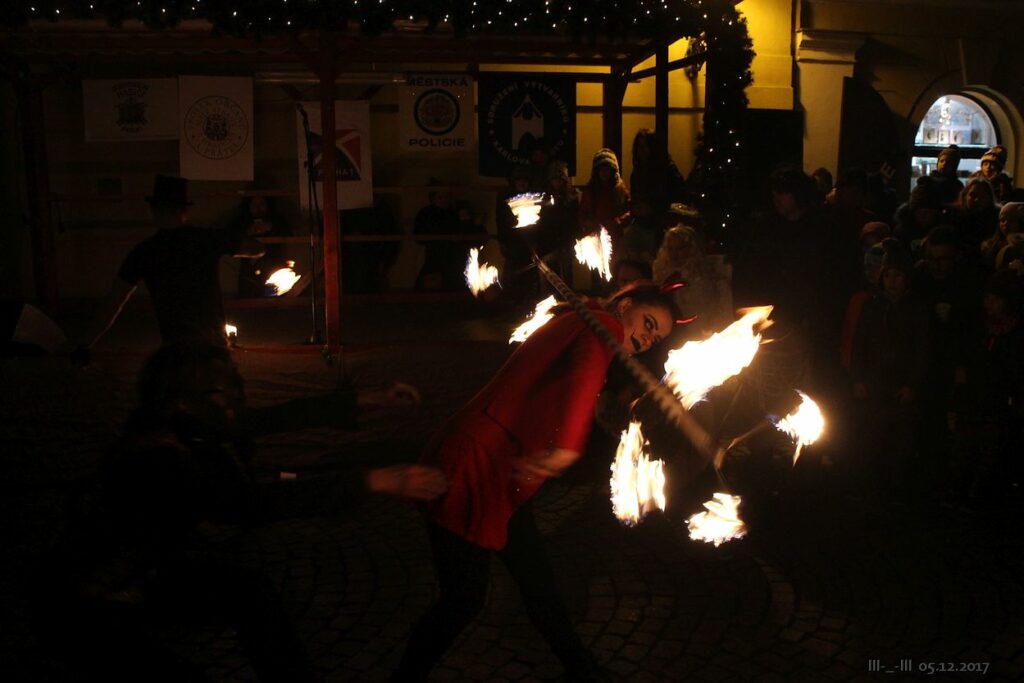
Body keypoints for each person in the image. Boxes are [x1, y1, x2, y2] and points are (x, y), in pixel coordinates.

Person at [35, 341, 447, 681]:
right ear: (182, 401)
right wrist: (374, 480)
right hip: (92, 604)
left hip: (149, 571)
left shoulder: (190, 421)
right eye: (222, 392)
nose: (235, 400)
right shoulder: (159, 457)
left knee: (251, 593)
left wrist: (364, 399)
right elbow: (253, 504)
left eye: (235, 384)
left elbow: (270, 418)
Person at [393, 281, 681, 682]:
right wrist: (567, 446)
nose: (648, 338)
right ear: (626, 303)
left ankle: (582, 670)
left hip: (502, 467)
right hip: (477, 464)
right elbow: (584, 376)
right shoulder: (602, 325)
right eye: (648, 323)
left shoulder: (585, 319)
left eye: (656, 337)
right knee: (464, 598)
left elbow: (590, 380)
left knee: (537, 581)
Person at [80, 175, 265, 353]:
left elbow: (114, 301)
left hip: (176, 347)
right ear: (184, 211)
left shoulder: (145, 251)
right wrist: (236, 236)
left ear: (154, 210)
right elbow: (257, 249)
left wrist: (85, 345)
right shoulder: (205, 239)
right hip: (213, 343)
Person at [629, 129, 687, 247]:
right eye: (639, 147)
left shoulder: (667, 170)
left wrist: (653, 207)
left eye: (645, 146)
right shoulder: (637, 173)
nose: (641, 150)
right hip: (643, 222)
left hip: (662, 224)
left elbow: (677, 196)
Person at [231, 192, 292, 298]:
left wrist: (270, 227)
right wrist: (247, 232)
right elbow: (230, 235)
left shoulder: (276, 221)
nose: (258, 208)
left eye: (261, 204)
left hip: (273, 268)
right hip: (249, 271)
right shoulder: (242, 221)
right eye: (254, 204)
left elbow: (289, 233)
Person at [578, 148, 631, 244]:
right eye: (601, 170)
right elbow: (583, 211)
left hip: (614, 236)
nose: (604, 173)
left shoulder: (620, 189)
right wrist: (588, 222)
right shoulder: (590, 190)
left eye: (607, 169)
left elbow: (628, 210)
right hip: (593, 235)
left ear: (612, 171)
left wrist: (618, 221)